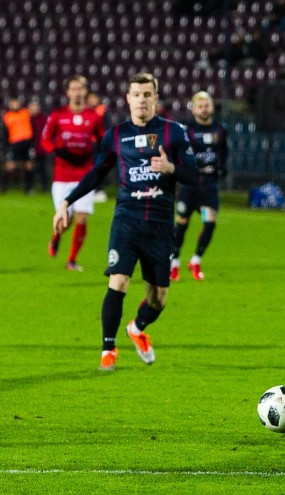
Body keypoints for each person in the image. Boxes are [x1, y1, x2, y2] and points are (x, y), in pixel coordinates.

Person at [52, 72, 198, 371]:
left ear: (155, 98)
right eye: (137, 94)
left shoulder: (174, 133)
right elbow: (96, 172)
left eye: (147, 94)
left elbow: (194, 175)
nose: (142, 100)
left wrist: (171, 167)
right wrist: (67, 201)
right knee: (118, 281)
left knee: (158, 297)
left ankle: (137, 327)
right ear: (128, 98)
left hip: (159, 223)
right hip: (127, 220)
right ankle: (108, 348)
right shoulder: (116, 135)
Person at [43, 75, 106, 271]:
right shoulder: (57, 115)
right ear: (68, 92)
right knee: (64, 221)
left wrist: (102, 153)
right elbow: (45, 139)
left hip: (84, 175)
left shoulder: (93, 117)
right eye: (74, 89)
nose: (77, 92)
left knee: (82, 217)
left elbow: (102, 139)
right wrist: (57, 151)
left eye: (81, 88)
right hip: (62, 176)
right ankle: (55, 237)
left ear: (85, 91)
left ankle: (71, 261)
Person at [170, 91, 228, 282]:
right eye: (200, 106)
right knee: (181, 225)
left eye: (207, 105)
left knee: (210, 223)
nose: (204, 109)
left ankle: (196, 260)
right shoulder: (186, 131)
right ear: (194, 109)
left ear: (211, 107)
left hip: (208, 187)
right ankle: (174, 263)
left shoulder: (219, 130)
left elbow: (224, 154)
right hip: (189, 186)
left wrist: (220, 168)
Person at [2, 96, 35, 194]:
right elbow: (5, 132)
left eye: (16, 103)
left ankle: (28, 189)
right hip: (15, 143)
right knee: (10, 166)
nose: (15, 105)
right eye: (12, 103)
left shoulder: (26, 112)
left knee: (29, 166)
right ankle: (4, 187)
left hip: (27, 143)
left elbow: (35, 110)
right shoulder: (7, 116)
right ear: (9, 105)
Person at [28, 101, 50, 193]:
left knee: (42, 168)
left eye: (35, 107)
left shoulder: (43, 118)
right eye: (32, 107)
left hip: (41, 148)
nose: (34, 109)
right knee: (30, 168)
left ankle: (44, 187)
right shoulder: (27, 119)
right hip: (30, 147)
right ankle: (29, 187)